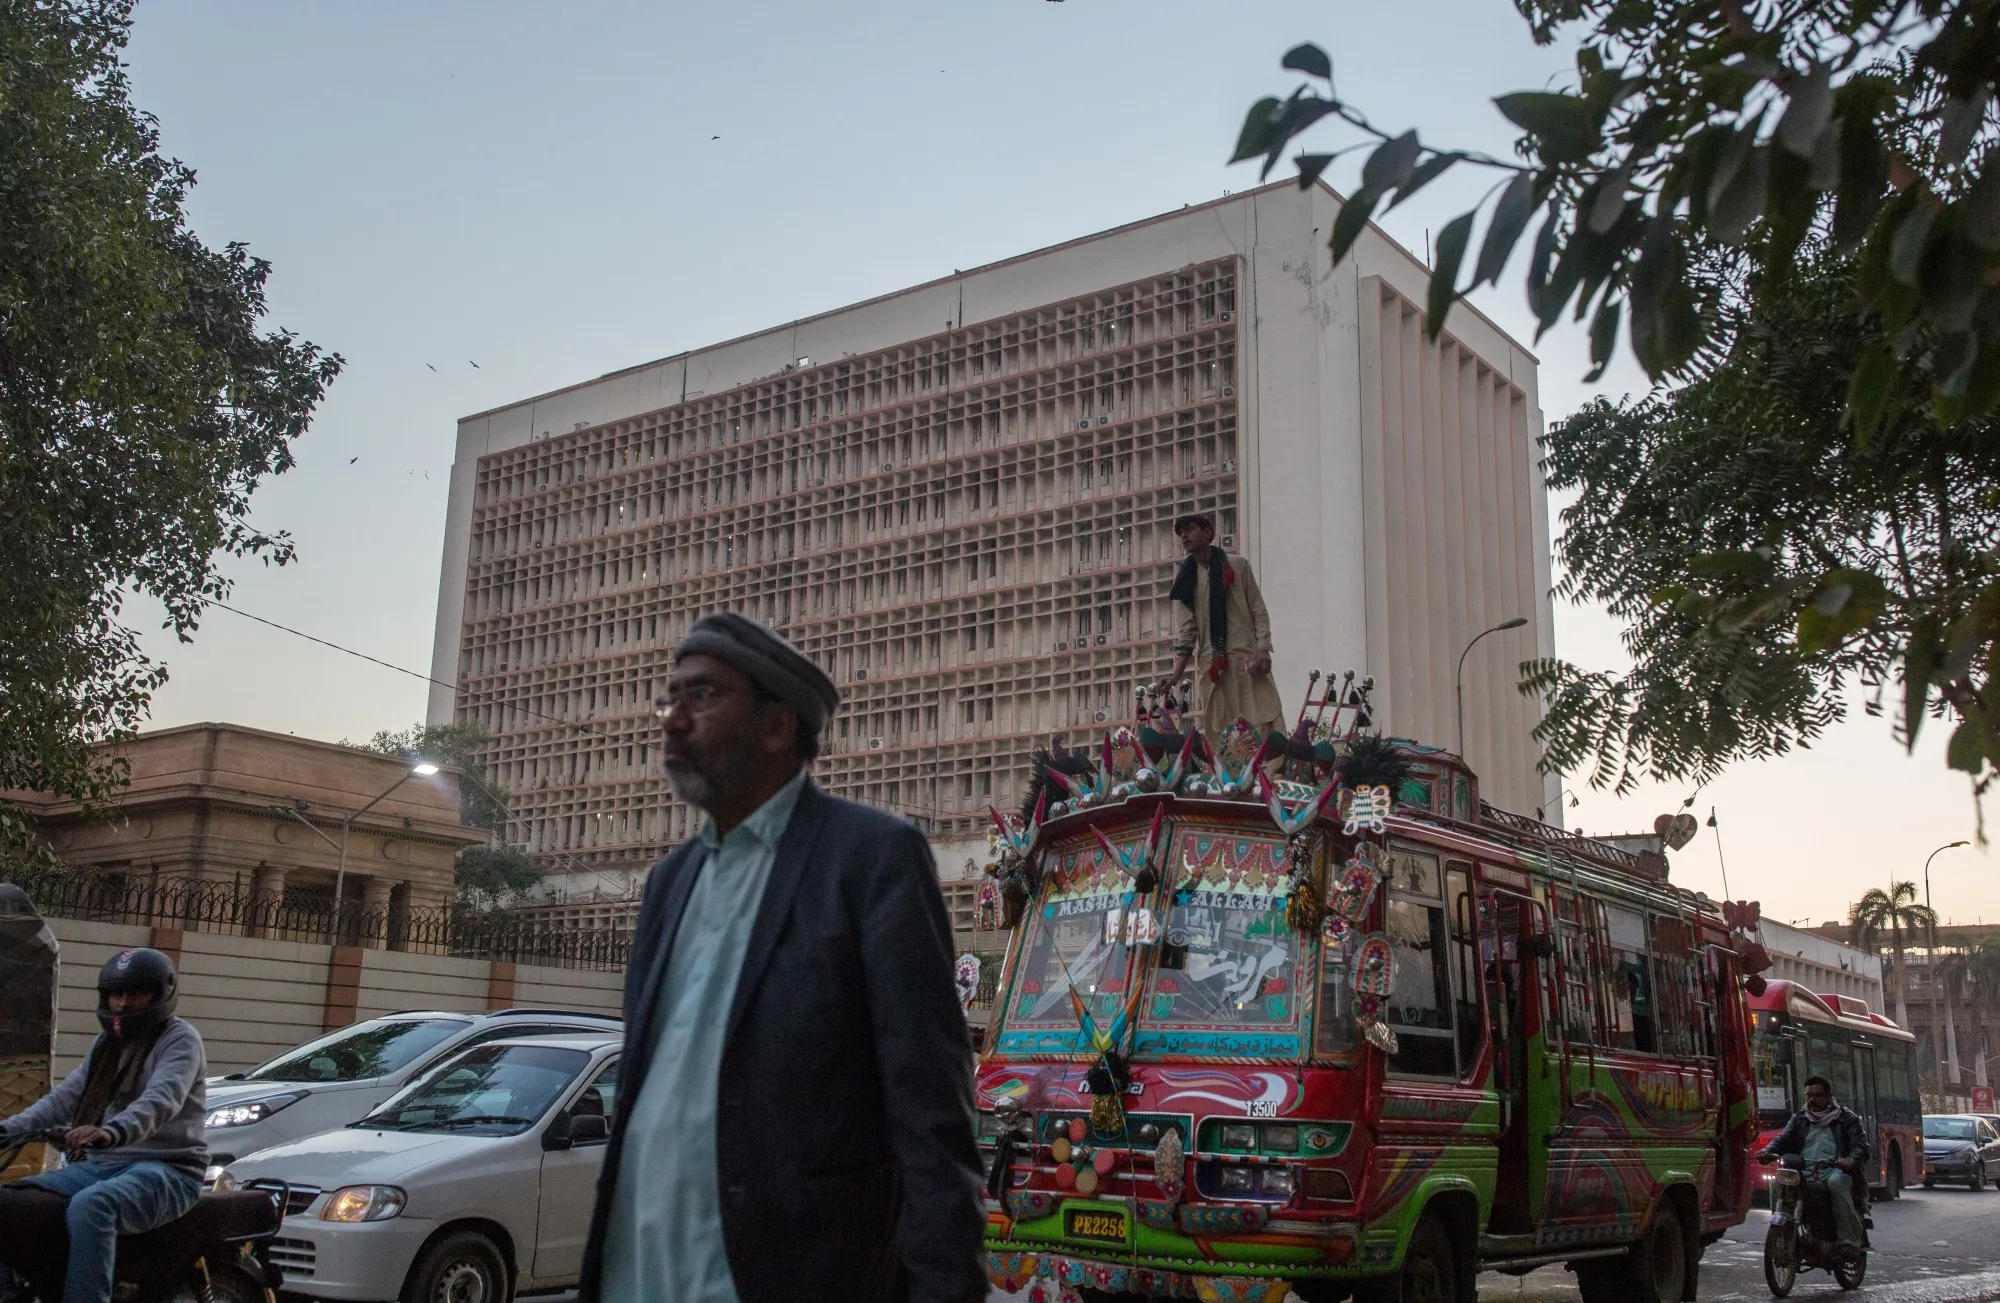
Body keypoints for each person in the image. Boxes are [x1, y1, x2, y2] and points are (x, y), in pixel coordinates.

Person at [581, 611, 986, 1303]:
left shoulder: (869, 859)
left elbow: (931, 1119)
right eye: (670, 696)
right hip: (638, 1275)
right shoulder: (667, 884)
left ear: (776, 726)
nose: (673, 719)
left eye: (702, 696)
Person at [0, 948, 208, 1303]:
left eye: (134, 993)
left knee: (92, 1206)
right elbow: (64, 1099)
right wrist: (8, 1129)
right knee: (9, 1203)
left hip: (168, 1170)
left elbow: (161, 1100)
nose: (122, 1004)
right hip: (103, 1167)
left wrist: (111, 1132)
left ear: (161, 994)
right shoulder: (106, 1045)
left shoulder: (179, 1039)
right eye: (116, 993)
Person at [1157, 513, 1284, 734]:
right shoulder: (1186, 581)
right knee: (1221, 730)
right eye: (1180, 532)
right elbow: (1187, 633)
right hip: (1213, 666)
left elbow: (1258, 610)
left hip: (1247, 658)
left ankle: (1268, 770)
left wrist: (1263, 648)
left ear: (1208, 533)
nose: (1184, 535)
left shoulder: (1236, 565)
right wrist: (1176, 675)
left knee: (1262, 722)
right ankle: (1227, 771)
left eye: (1190, 529)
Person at [1758, 1073, 1869, 1256]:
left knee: (1836, 1183)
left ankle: (1849, 1239)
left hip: (1835, 1170)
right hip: (1805, 1170)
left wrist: (1850, 1160)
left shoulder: (1847, 1118)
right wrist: (1768, 1151)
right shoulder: (1800, 1118)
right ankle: (1784, 1233)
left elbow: (1860, 1145)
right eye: (1808, 1096)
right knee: (1777, 1183)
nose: (1811, 1100)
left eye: (1816, 1096)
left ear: (1828, 1096)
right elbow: (1783, 1138)